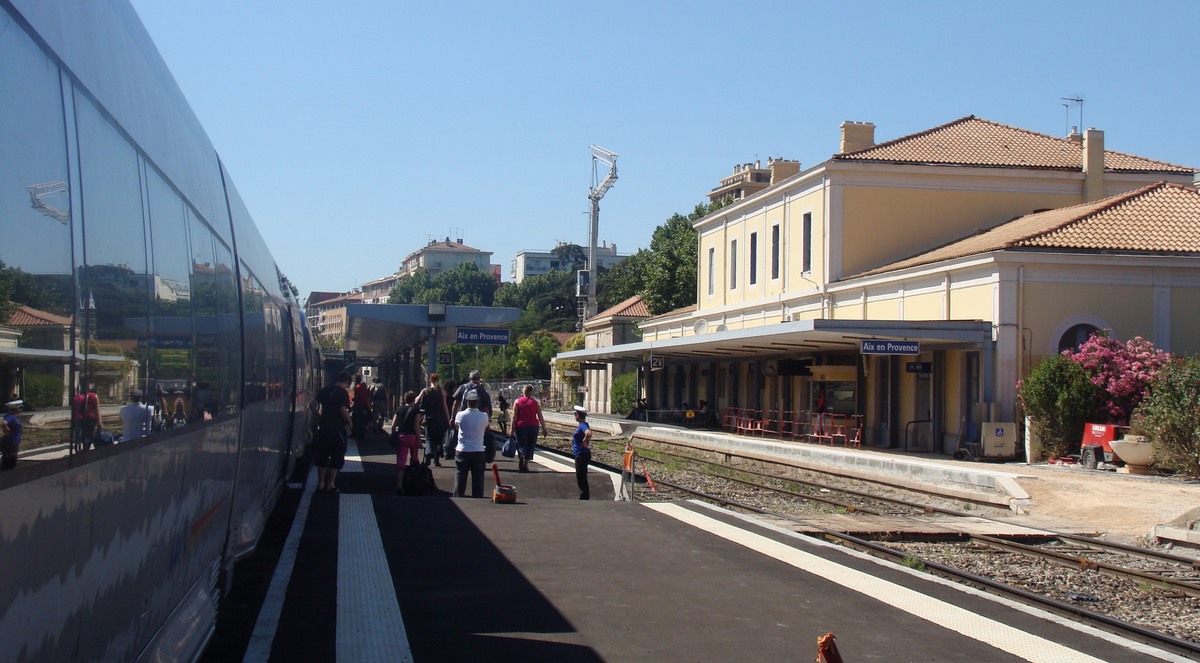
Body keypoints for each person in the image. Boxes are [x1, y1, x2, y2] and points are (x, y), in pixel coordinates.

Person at [310, 370, 352, 493]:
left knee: (322, 455)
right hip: (337, 429)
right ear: (346, 381)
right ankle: (331, 484)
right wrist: (350, 421)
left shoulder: (325, 390)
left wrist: (320, 416)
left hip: (324, 428)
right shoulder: (343, 393)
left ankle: (321, 483)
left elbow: (313, 405)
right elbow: (343, 409)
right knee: (336, 456)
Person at [453, 390, 489, 497]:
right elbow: (486, 428)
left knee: (460, 477)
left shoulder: (460, 415)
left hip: (462, 450)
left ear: (467, 402)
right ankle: (477, 499)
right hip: (478, 450)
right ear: (478, 403)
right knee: (478, 478)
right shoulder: (484, 416)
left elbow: (457, 427)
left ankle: (458, 498)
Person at [415, 373, 450, 466]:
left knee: (429, 438)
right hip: (440, 418)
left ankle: (428, 454)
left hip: (429, 418)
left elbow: (416, 401)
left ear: (430, 380)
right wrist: (448, 418)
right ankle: (437, 460)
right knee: (438, 440)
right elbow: (444, 406)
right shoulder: (442, 391)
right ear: (438, 380)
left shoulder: (426, 390)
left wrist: (421, 393)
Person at [391, 390, 423, 491]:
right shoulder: (416, 410)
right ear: (414, 400)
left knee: (401, 462)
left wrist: (394, 434)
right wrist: (419, 440)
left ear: (405, 399)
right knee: (414, 459)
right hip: (413, 437)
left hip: (402, 437)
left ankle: (399, 483)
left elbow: (393, 425)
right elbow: (416, 426)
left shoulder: (399, 409)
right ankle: (413, 481)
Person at [511, 384, 547, 473]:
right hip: (533, 426)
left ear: (523, 392)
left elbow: (514, 416)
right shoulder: (535, 403)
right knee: (531, 445)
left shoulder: (517, 402)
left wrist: (511, 428)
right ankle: (526, 463)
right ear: (531, 392)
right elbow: (540, 416)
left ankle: (521, 456)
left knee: (521, 444)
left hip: (521, 425)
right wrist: (544, 428)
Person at [571, 405, 592, 499]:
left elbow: (589, 433)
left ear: (577, 415)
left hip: (581, 454)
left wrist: (584, 441)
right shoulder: (582, 425)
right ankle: (584, 497)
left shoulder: (583, 425)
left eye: (575, 414)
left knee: (581, 477)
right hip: (582, 454)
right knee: (582, 477)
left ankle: (584, 498)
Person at [1, 400, 23, 470]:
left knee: (7, 459)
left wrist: (6, 431)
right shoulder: (11, 417)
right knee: (10, 461)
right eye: (20, 407)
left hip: (11, 440)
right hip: (12, 441)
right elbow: (3, 423)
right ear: (16, 409)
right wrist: (6, 430)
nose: (21, 409)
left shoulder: (8, 416)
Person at [351, 374, 372, 439]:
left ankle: (354, 433)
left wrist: (353, 400)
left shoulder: (357, 387)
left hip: (358, 405)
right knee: (362, 420)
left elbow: (357, 397)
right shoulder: (364, 386)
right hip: (364, 406)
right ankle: (362, 433)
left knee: (355, 420)